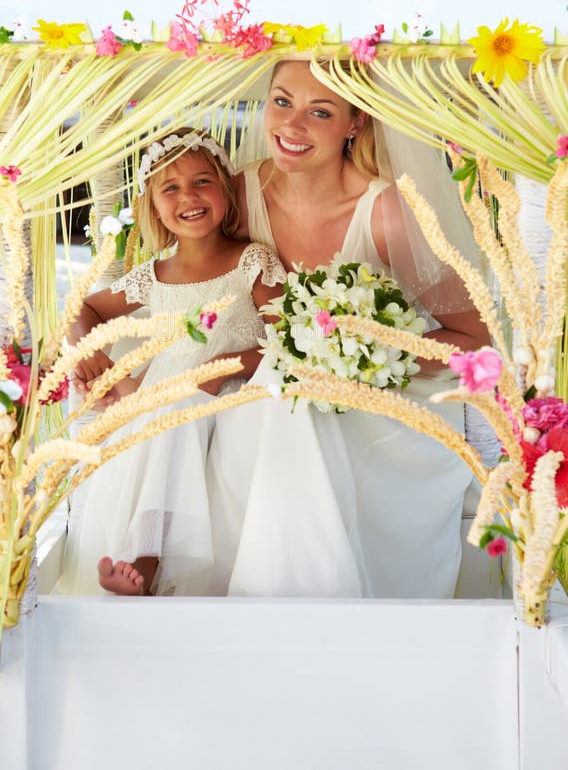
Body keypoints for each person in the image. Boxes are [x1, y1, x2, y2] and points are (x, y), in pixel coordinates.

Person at [203, 59, 490, 599]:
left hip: (390, 396)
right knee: (282, 403)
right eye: (282, 101)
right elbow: (182, 279)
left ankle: (292, 606)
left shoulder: (385, 212)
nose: (291, 126)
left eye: (320, 111)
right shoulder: (238, 197)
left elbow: (474, 340)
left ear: (355, 123)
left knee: (293, 408)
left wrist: (365, 353)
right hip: (272, 385)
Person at [59, 127, 285, 596]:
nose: (189, 196)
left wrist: (232, 363)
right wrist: (90, 349)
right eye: (171, 187)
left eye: (203, 181)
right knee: (158, 421)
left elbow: (286, 334)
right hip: (166, 389)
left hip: (232, 387)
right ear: (154, 206)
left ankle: (146, 561)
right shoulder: (154, 275)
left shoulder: (252, 261)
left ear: (225, 189)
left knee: (178, 417)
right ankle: (135, 559)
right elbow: (82, 307)